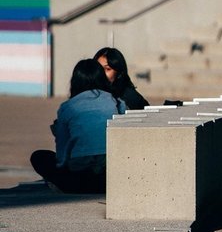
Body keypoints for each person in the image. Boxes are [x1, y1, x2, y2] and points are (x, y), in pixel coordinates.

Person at [29, 59, 126, 194]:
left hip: (79, 178)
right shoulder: (117, 102)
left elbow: (61, 154)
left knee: (38, 156)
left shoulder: (67, 107)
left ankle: (65, 185)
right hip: (111, 178)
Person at [94, 46, 150, 111]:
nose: (101, 72)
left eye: (107, 69)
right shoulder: (86, 95)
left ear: (119, 73)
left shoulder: (130, 97)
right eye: (98, 67)